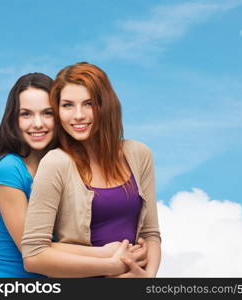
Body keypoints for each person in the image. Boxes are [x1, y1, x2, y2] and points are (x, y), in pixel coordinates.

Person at [0, 72, 146, 278]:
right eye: (26, 114)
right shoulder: (9, 169)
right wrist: (107, 256)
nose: (37, 123)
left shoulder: (66, 166)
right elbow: (32, 248)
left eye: (47, 113)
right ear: (13, 120)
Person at [21, 62, 161, 278]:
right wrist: (112, 266)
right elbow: (34, 255)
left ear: (106, 105)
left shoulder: (138, 154)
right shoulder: (55, 163)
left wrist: (146, 278)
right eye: (67, 105)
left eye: (89, 104)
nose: (78, 115)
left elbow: (150, 233)